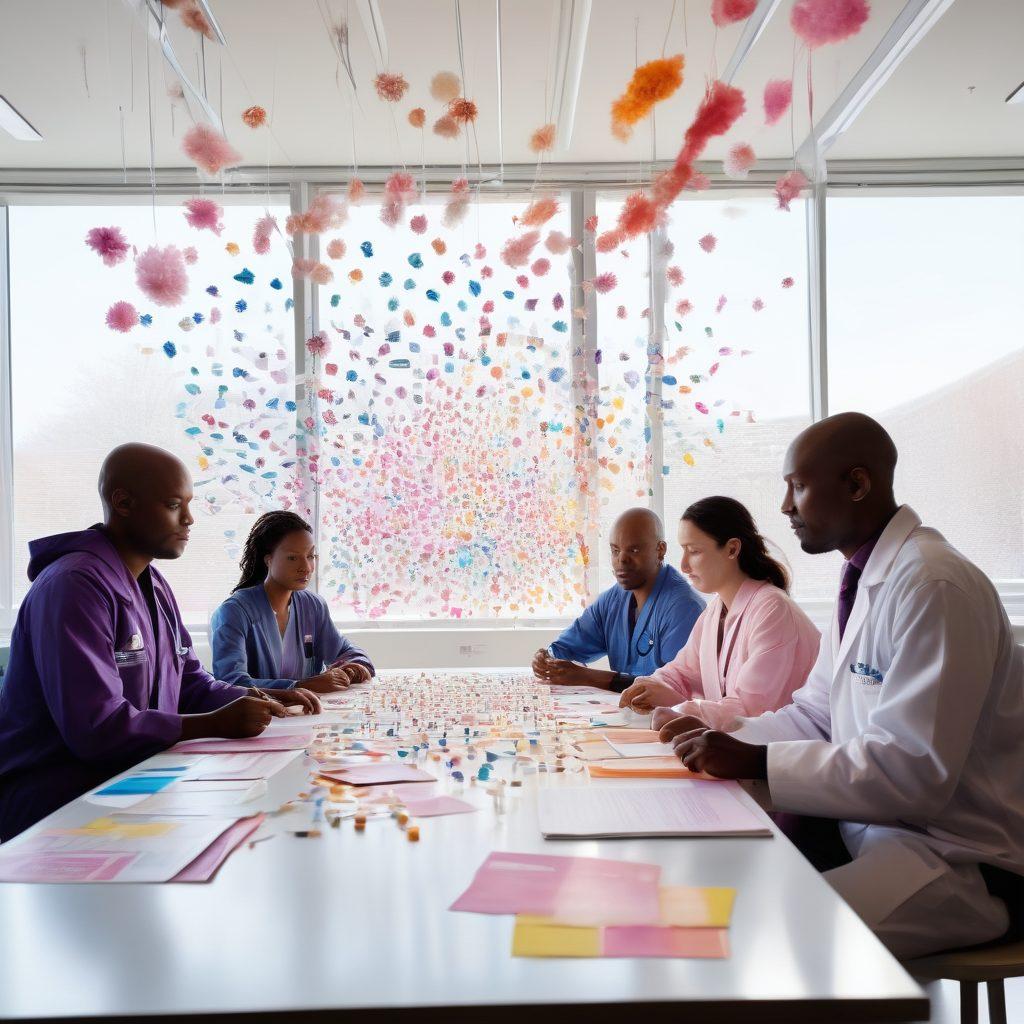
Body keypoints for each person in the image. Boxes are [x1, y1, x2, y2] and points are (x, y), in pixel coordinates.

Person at [660, 413, 1024, 959]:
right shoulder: (866, 579)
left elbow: (914, 771)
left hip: (962, 861)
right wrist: (719, 735)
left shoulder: (934, 586)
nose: (785, 507)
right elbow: (814, 712)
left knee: (758, 936)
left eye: (798, 486)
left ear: (856, 484)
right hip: (874, 832)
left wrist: (754, 761)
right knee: (714, 887)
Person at [0, 444, 320, 842]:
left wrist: (251, 695)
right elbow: (96, 729)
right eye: (173, 505)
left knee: (268, 822)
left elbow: (190, 681)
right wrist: (214, 724)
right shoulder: (74, 586)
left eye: (189, 504)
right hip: (59, 800)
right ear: (123, 503)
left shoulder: (154, 583)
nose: (188, 519)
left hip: (133, 779)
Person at [618, 496, 819, 731]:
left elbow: (751, 710)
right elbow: (683, 672)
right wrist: (650, 686)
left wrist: (680, 709)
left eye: (693, 551)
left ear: (732, 548)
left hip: (782, 753)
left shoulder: (772, 610)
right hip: (740, 750)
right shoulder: (715, 611)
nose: (683, 565)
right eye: (683, 551)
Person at [532, 507, 704, 691]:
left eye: (634, 550)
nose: (622, 559)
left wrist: (589, 677)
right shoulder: (613, 600)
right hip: (625, 714)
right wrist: (547, 659)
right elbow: (566, 648)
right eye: (615, 550)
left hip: (668, 718)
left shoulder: (684, 608)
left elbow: (676, 688)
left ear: (660, 550)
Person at [211, 511, 374, 694]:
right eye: (292, 558)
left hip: (310, 713)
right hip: (258, 718)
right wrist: (300, 686)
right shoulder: (234, 612)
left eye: (311, 556)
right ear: (268, 560)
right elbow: (231, 682)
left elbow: (344, 652)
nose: (306, 567)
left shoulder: (313, 606)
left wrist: (352, 668)